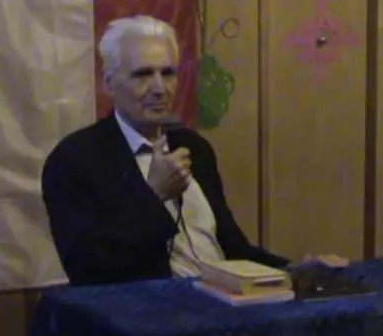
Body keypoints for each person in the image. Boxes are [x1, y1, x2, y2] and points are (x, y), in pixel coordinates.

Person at [41, 15, 347, 286]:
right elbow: (88, 271)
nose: (159, 88)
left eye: (168, 73)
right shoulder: (75, 160)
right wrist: (154, 195)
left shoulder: (194, 148)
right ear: (109, 84)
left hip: (227, 306)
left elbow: (233, 250)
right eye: (143, 75)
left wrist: (293, 271)